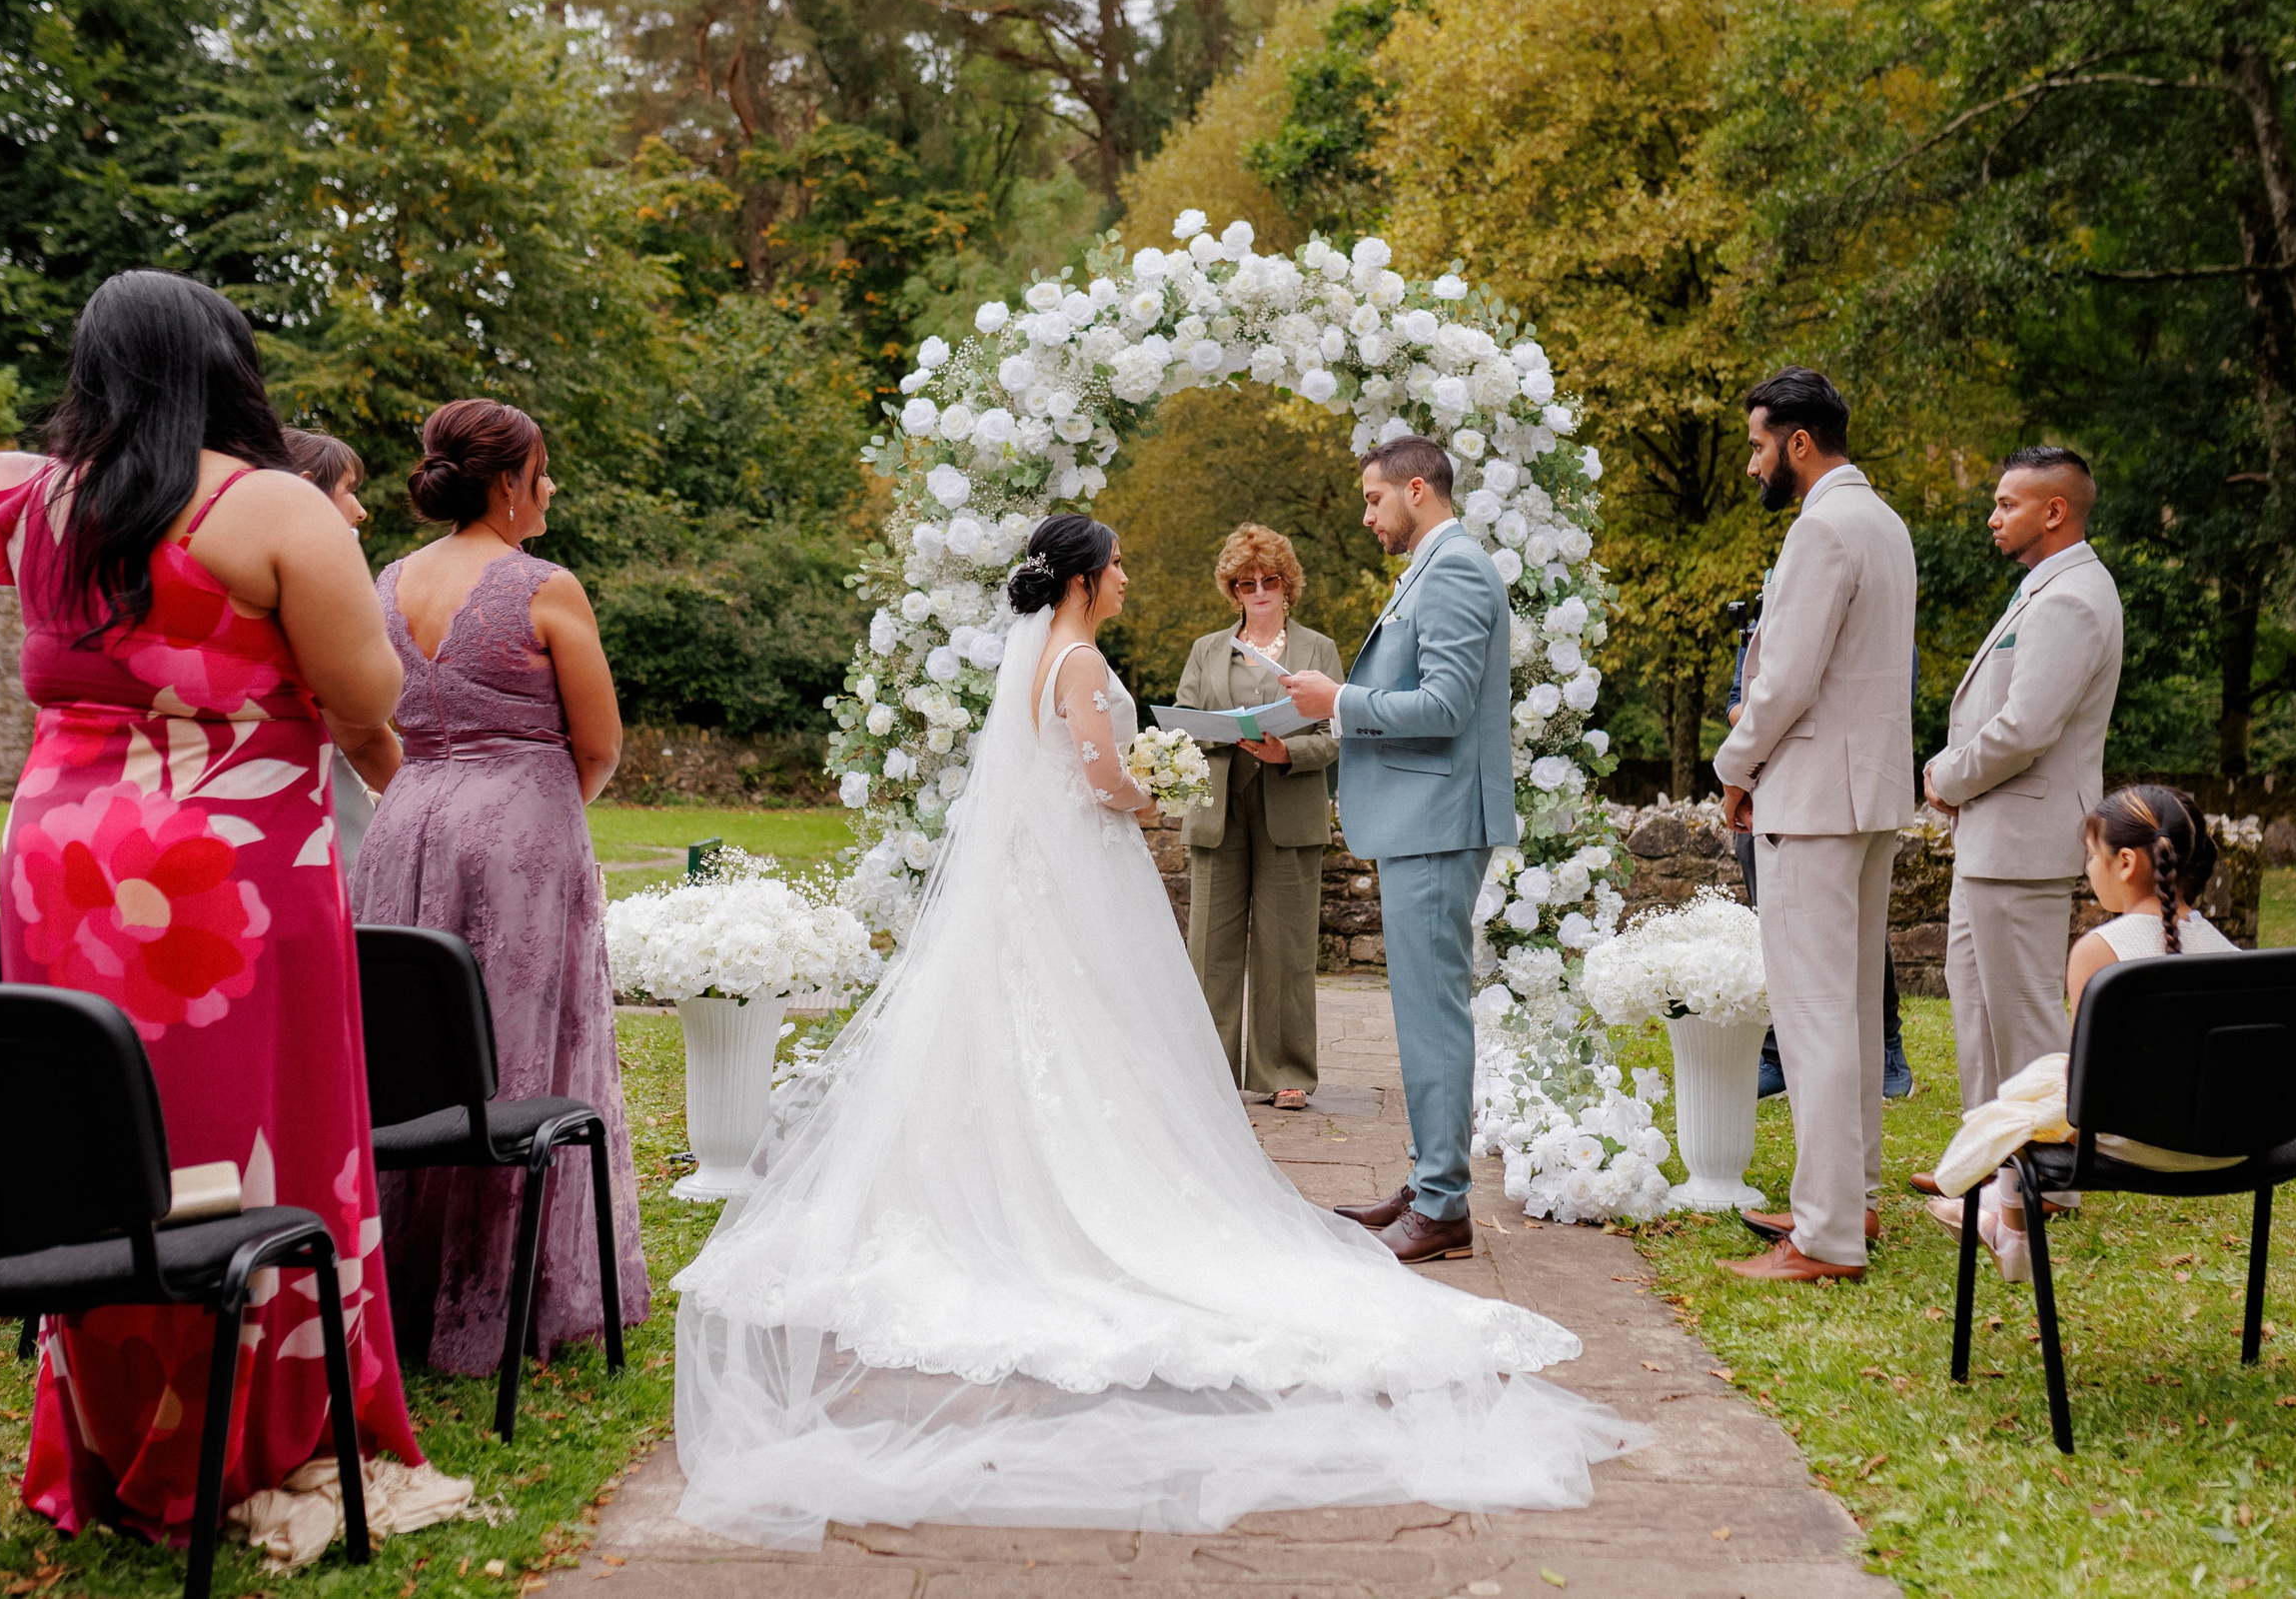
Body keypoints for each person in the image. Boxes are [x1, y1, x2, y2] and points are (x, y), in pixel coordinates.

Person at [666, 512, 1646, 1551]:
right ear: (1085, 577)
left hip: (1047, 878)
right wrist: (1151, 792)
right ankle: (1087, 1193)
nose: (1131, 576)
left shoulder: (1047, 652)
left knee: (1042, 1038)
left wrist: (1159, 779)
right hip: (1083, 870)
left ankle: (1027, 1179)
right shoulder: (1081, 661)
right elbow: (1098, 778)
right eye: (1121, 563)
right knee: (1097, 1037)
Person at [0, 270, 431, 1537]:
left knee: (101, 1137)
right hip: (224, 861)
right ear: (227, 363)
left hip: (59, 856)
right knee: (259, 1131)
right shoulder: (269, 504)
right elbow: (365, 695)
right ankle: (264, 1424)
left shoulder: (34, 498)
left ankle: (116, 1436)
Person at [353, 398, 648, 1374]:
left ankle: (397, 1282)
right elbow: (598, 744)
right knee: (523, 1051)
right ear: (508, 482)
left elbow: (364, 720)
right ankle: (507, 1298)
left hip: (407, 822)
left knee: (411, 1049)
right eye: (544, 470)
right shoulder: (544, 587)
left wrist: (434, 788)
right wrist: (528, 801)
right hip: (523, 829)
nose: (551, 486)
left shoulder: (386, 583)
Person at [1280, 437, 1516, 1267]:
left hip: (1439, 817)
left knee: (1432, 1013)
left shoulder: (1452, 568)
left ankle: (1446, 1203)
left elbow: (1446, 705)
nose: (1370, 516)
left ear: (1418, 489)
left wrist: (1338, 698)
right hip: (1427, 816)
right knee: (1423, 1008)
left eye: (1376, 500)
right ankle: (1428, 1181)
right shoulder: (1435, 564)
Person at [1713, 367, 1916, 1283]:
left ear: (1799, 443)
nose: (1754, 463)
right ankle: (1854, 1197)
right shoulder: (1884, 522)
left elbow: (1783, 681)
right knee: (1855, 1002)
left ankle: (1828, 1235)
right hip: (1866, 795)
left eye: (1759, 444)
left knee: (1815, 1015)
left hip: (1814, 802)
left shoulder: (1821, 529)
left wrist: (1734, 766)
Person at [1914, 445, 2122, 1216]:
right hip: (1995, 840)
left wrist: (1947, 774)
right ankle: (1987, 1166)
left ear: (2055, 511)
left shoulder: (2071, 598)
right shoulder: (2045, 591)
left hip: (2023, 841)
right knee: (1978, 1010)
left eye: (2007, 503)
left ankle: (2045, 1185)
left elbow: (2027, 726)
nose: (1994, 516)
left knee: (2026, 1017)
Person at [1924, 786, 2231, 1279]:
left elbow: (2084, 1088)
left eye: (2092, 856)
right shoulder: (2229, 952)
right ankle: (1991, 1215)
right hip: (2235, 1141)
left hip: (2140, 1145)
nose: (2088, 869)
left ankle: (2009, 1231)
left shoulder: (2101, 950)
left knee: (2028, 1099)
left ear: (2126, 863)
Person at [1173, 524, 1343, 1109]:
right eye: (1246, 583)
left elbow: (1337, 733)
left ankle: (1284, 1072)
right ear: (1232, 588)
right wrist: (1217, 734)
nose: (1259, 591)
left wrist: (1287, 750)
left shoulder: (1317, 649)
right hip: (1219, 806)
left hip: (1289, 803)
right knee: (1210, 946)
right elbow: (1182, 727)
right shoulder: (1206, 650)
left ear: (1287, 583)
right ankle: (1208, 1069)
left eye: (1269, 580)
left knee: (1287, 945)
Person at [1725, 620, 1914, 1104]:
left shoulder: (1863, 612)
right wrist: (1752, 723)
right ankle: (1776, 1053)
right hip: (1771, 786)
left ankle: (1885, 1042)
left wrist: (1736, 765)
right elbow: (1739, 695)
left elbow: (1800, 691)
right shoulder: (1768, 614)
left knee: (1852, 945)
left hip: (1827, 789)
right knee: (1778, 931)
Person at [283, 428, 389, 892]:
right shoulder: (307, 581)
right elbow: (360, 732)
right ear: (308, 489)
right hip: (307, 801)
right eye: (349, 490)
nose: (360, 510)